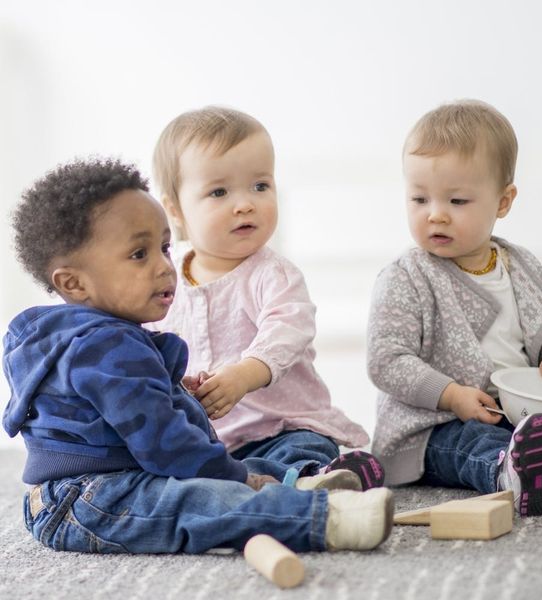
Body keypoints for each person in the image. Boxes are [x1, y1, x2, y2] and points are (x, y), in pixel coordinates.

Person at [2, 158, 394, 554]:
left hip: (112, 479)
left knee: (226, 466)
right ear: (74, 283)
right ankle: (322, 517)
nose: (164, 266)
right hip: (88, 500)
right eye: (138, 254)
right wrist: (238, 480)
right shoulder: (104, 347)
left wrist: (175, 394)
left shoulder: (88, 339)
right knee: (196, 501)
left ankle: (297, 482)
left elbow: (116, 417)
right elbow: (165, 444)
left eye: (164, 248)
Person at [367, 99, 542, 517]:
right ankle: (508, 470)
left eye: (457, 201)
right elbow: (386, 360)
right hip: (436, 425)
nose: (436, 215)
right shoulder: (407, 276)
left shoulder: (521, 265)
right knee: (472, 443)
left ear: (503, 202)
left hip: (520, 412)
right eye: (419, 199)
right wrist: (451, 395)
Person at [149, 106, 384, 491]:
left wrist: (245, 373)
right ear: (175, 210)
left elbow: (287, 329)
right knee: (178, 469)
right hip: (209, 438)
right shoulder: (162, 279)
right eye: (219, 192)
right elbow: (145, 343)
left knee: (304, 445)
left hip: (281, 425)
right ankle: (258, 484)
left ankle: (313, 478)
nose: (245, 204)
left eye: (260, 186)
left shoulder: (272, 274)